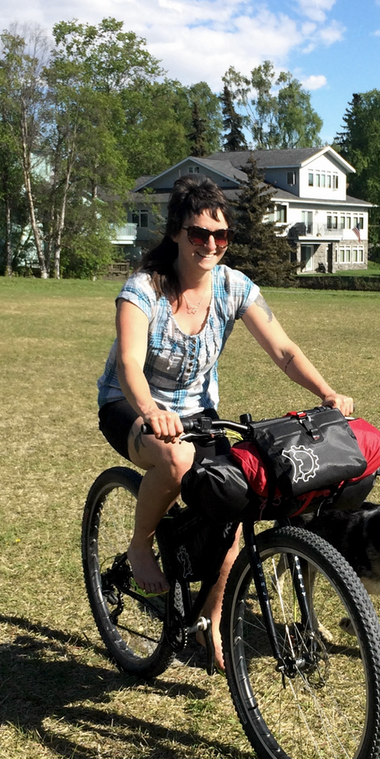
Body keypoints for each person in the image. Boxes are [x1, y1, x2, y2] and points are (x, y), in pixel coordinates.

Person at [97, 175, 354, 669]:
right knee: (174, 457)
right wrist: (151, 412)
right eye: (198, 234)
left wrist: (325, 392)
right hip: (131, 405)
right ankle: (139, 545)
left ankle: (211, 619)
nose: (210, 245)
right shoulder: (143, 289)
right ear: (176, 233)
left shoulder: (235, 287)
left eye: (221, 236)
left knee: (241, 500)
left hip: (198, 414)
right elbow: (130, 364)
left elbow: (283, 349)